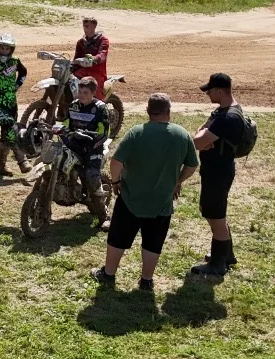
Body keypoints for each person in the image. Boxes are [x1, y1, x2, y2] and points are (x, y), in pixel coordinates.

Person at [92, 94, 199, 292]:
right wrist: (177, 181)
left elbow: (116, 162)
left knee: (118, 238)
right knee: (153, 241)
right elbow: (192, 165)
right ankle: (146, 280)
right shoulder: (181, 134)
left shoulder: (137, 132)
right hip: (162, 202)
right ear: (168, 111)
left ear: (148, 111)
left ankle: (108, 274)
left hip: (130, 198)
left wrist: (116, 181)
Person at [192, 72, 247, 276]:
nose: (207, 94)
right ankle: (227, 255)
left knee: (215, 216)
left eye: (210, 90)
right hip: (216, 170)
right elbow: (202, 131)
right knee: (217, 214)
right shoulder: (223, 111)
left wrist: (203, 139)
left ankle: (217, 264)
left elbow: (197, 142)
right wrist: (204, 137)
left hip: (218, 172)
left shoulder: (228, 117)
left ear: (221, 91)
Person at [64, 76, 112, 226]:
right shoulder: (73, 105)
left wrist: (91, 140)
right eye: (80, 91)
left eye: (85, 92)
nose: (82, 95)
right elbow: (66, 123)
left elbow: (105, 132)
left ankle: (104, 218)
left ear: (93, 92)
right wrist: (63, 133)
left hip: (93, 148)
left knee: (91, 177)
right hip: (74, 145)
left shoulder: (100, 108)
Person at [0, 33, 29, 179]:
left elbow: (24, 72)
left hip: (11, 102)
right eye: (2, 48)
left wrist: (18, 85)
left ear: (11, 49)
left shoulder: (15, 61)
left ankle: (0, 165)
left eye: (7, 48)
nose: (4, 51)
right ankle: (21, 160)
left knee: (7, 132)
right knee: (10, 127)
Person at [73, 16, 109, 91]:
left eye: (87, 26)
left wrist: (94, 59)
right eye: (84, 26)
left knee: (95, 91)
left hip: (97, 71)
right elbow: (76, 58)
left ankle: (100, 102)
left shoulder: (102, 40)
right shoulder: (81, 42)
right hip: (83, 70)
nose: (84, 29)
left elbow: (103, 54)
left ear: (94, 27)